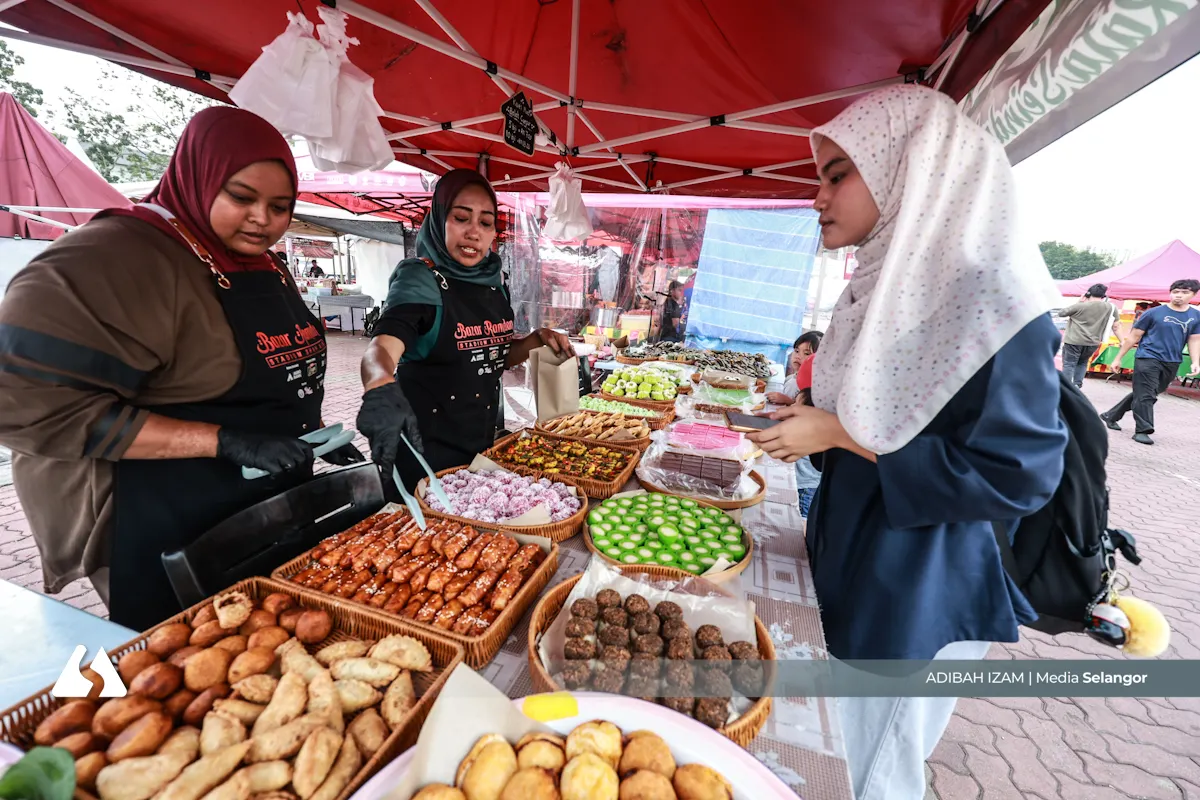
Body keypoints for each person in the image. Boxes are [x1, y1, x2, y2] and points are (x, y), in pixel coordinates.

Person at [746, 86, 1068, 800]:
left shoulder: (995, 299)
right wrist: (810, 413)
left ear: (911, 169)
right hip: (850, 554)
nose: (819, 197)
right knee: (824, 745)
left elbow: (1018, 476)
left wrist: (838, 434)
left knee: (868, 771)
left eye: (837, 175)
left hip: (914, 592)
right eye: (819, 177)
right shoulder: (888, 284)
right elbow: (887, 413)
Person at [0, 107, 362, 630]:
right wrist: (223, 441)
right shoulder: (115, 255)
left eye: (280, 206)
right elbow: (23, 400)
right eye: (242, 197)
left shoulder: (264, 261)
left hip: (270, 502)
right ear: (198, 176)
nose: (263, 218)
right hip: (168, 517)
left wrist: (308, 435)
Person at [356, 169, 572, 488]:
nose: (474, 232)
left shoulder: (492, 282)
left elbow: (490, 357)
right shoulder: (420, 279)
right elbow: (382, 348)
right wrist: (379, 384)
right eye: (461, 218)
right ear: (440, 218)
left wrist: (536, 340)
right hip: (424, 454)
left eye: (485, 223)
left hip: (478, 448)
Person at [1100, 279, 1200, 444]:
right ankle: (1143, 429)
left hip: (1172, 360)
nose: (1179, 296)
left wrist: (1195, 361)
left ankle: (1111, 415)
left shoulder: (1196, 316)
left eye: (1184, 292)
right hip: (1148, 357)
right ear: (1170, 293)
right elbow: (1134, 336)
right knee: (1146, 394)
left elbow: (1194, 340)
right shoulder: (1153, 313)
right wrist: (1118, 357)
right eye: (1176, 292)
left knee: (1148, 392)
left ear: (1193, 295)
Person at [1057, 283, 1119, 388]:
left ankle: (1066, 387)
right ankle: (1077, 385)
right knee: (1082, 363)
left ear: (1088, 294)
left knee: (1069, 364)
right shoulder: (1110, 308)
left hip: (1074, 340)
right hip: (1093, 342)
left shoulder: (1080, 306)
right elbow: (1116, 325)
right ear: (1103, 296)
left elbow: (1061, 313)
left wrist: (1079, 302)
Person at [769, 331, 823, 403]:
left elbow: (808, 410)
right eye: (797, 351)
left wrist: (788, 401)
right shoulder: (790, 378)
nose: (798, 356)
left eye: (806, 353)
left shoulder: (812, 388)